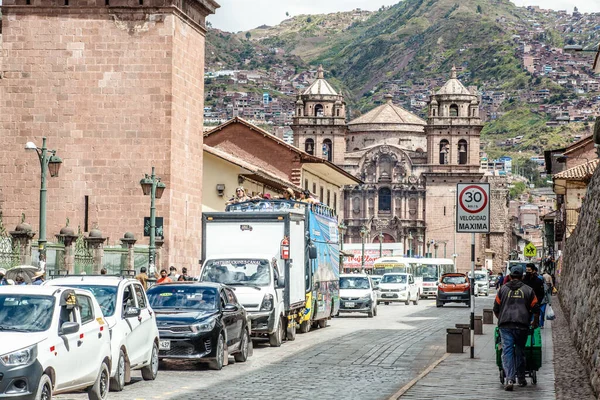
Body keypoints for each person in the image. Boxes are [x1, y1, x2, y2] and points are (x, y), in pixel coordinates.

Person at [493, 264, 540, 391]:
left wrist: (502, 319)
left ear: (510, 276)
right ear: (521, 276)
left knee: (507, 351)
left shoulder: (502, 290)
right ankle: (521, 378)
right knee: (520, 350)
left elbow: (496, 308)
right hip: (522, 325)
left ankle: (509, 378)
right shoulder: (529, 290)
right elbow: (536, 309)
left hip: (505, 325)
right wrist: (534, 322)